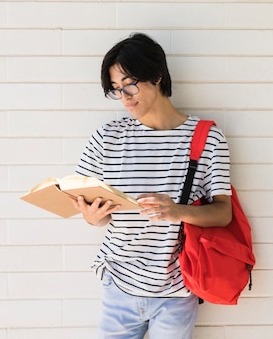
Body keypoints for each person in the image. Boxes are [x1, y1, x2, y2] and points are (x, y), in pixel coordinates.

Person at [70, 32, 233, 339]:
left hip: (177, 292)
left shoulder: (207, 138)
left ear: (157, 76)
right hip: (119, 284)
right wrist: (93, 217)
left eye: (130, 84)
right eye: (116, 89)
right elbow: (92, 208)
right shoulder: (108, 138)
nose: (125, 97)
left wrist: (178, 211)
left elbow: (223, 214)